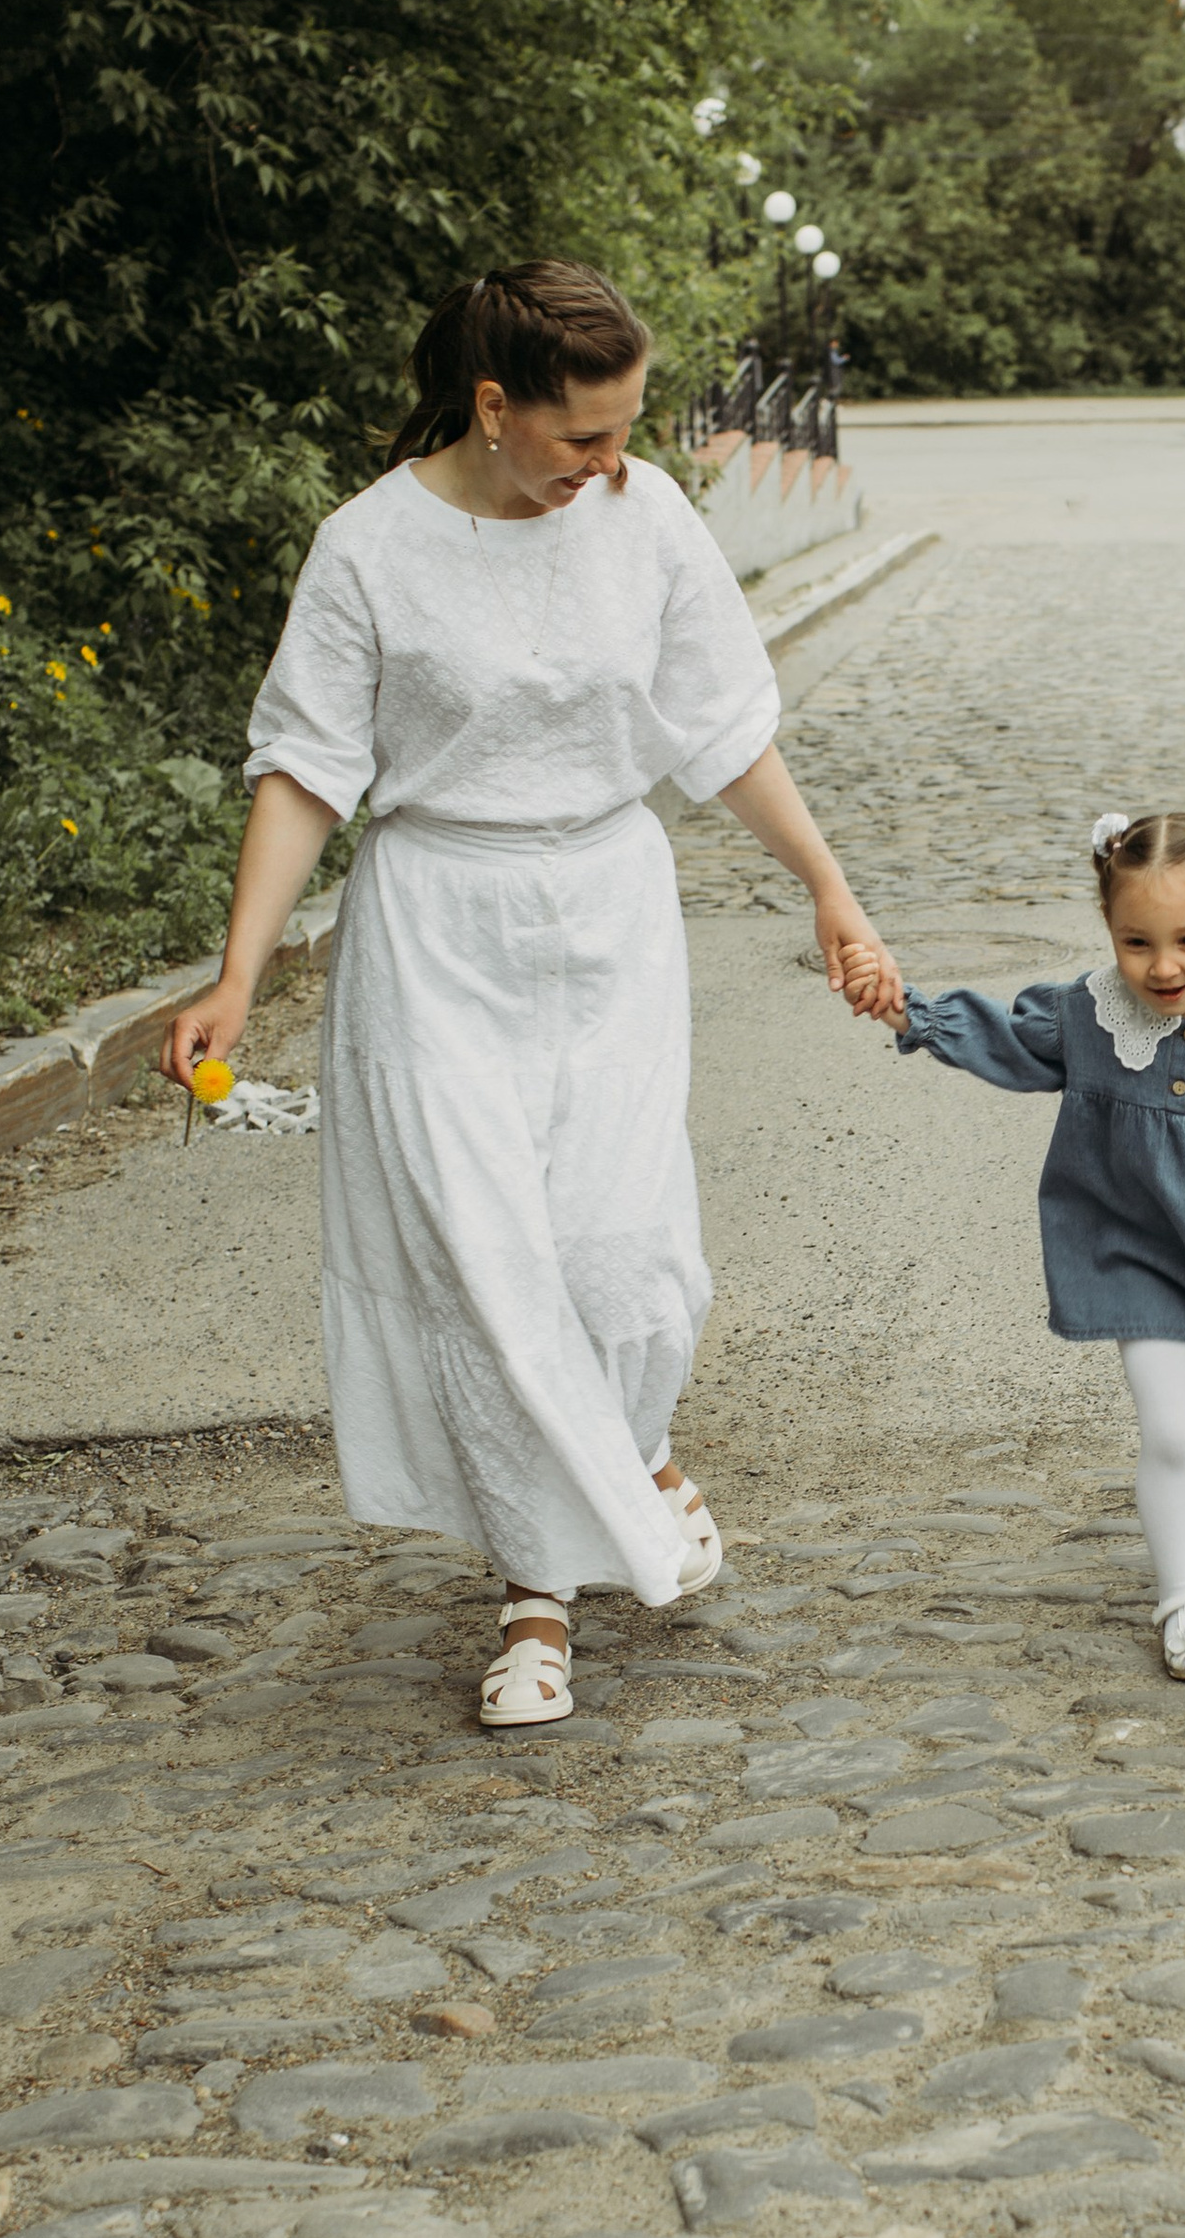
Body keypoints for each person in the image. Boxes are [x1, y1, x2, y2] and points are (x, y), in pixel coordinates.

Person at [164, 262, 898, 1732]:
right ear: (493, 406)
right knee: (489, 1274)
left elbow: (721, 729)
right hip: (436, 932)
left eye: (627, 433)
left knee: (623, 1261)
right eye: (581, 439)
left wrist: (828, 884)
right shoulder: (369, 549)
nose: (609, 466)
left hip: (610, 922)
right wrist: (240, 970)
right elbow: (307, 766)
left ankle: (642, 1460)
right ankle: (535, 1599)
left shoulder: (646, 521)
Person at [890, 806, 1185, 1680]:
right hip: (1132, 1252)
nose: (1162, 966)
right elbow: (1007, 1039)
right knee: (1178, 1430)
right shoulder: (1090, 1015)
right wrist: (913, 1011)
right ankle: (1184, 1602)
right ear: (1108, 930)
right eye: (1134, 942)